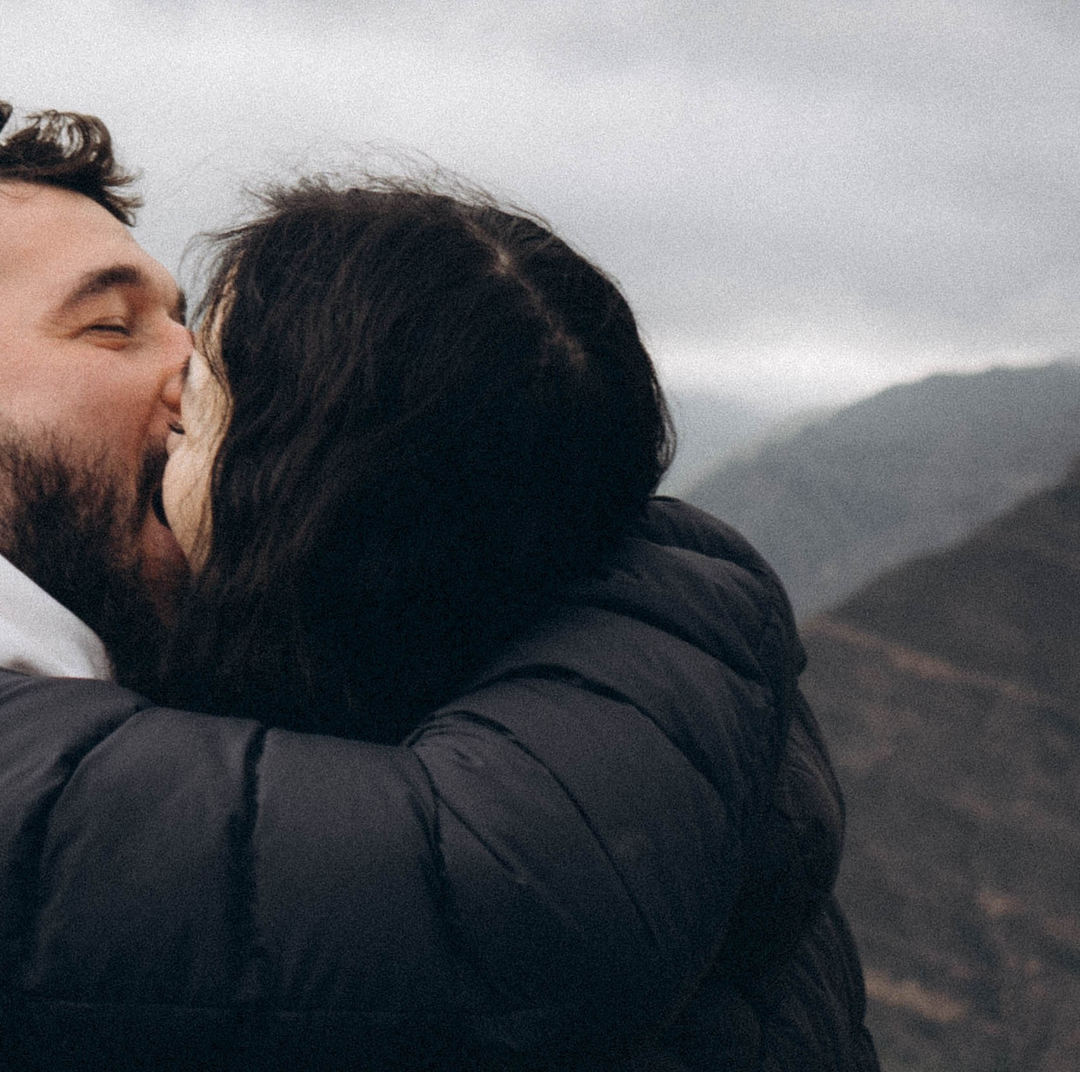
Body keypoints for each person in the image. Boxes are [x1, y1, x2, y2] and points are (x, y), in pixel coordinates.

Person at [0, 92, 812, 1070]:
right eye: (111, 325)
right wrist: (624, 543)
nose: (196, 362)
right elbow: (511, 900)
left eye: (180, 314)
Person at [157, 178, 877, 1069]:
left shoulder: (392, 901)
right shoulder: (658, 766)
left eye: (203, 390)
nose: (167, 404)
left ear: (300, 494)